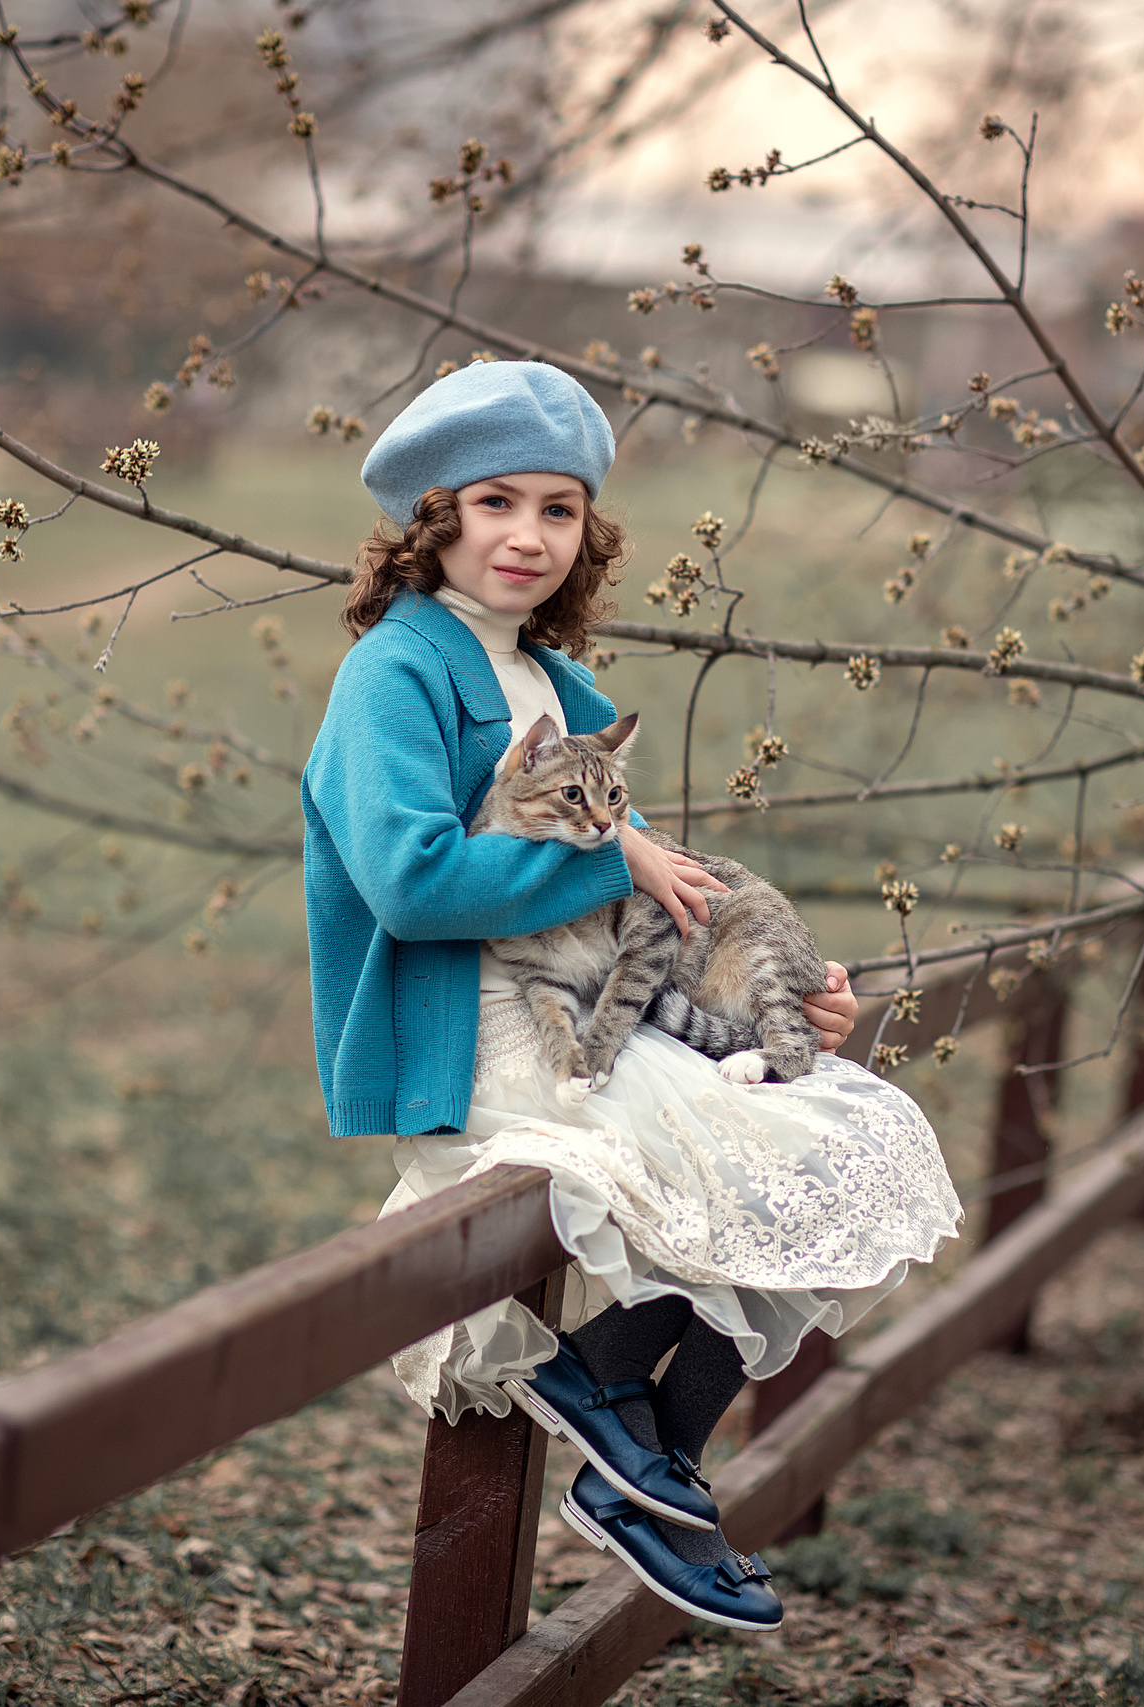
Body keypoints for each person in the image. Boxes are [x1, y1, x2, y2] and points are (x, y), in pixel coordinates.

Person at [300, 360, 961, 1631]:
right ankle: (648, 1477)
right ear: (434, 519)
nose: (526, 536)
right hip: (480, 1038)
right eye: (495, 502)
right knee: (740, 1173)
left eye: (557, 510)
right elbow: (412, 885)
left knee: (842, 1140)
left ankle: (642, 1456)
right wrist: (612, 851)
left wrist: (786, 997)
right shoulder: (393, 675)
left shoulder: (570, 691)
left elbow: (668, 897)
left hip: (604, 1016)